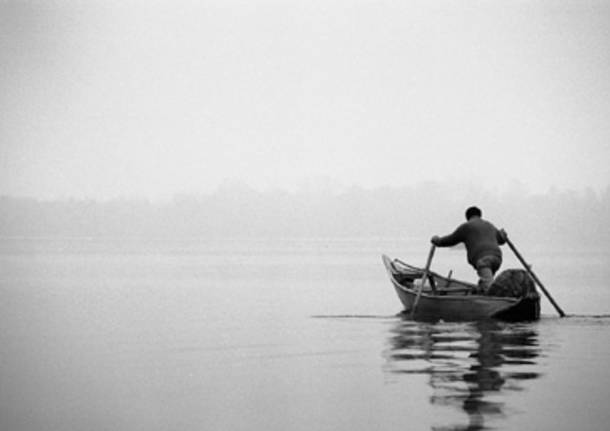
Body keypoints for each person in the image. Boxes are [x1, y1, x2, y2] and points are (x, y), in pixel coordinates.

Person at [431, 206, 507, 292]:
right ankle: (481, 291)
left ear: (467, 217)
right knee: (485, 283)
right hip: (497, 258)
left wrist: (437, 241)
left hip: (484, 259)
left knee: (490, 289)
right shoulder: (490, 225)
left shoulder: (466, 227)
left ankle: (493, 298)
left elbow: (450, 240)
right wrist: (502, 235)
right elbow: (501, 240)